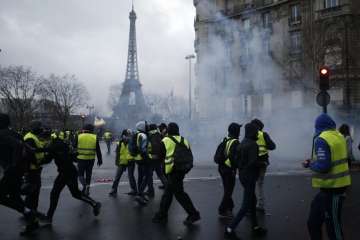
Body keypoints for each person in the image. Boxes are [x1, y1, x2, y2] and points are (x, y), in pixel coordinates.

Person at [303, 114, 351, 240]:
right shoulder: (339, 136)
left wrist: (310, 164)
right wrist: (316, 161)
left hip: (334, 190)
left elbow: (323, 167)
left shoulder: (321, 139)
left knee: (333, 228)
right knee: (313, 221)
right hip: (330, 188)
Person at [42, 131, 101, 224]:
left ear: (48, 139)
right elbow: (74, 158)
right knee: (75, 193)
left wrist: (38, 160)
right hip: (71, 171)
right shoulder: (63, 144)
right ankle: (94, 203)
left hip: (65, 172)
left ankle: (49, 217)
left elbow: (47, 159)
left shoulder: (53, 146)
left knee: (54, 193)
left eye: (43, 141)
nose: (43, 143)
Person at [225, 123, 267, 239]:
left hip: (243, 176)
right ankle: (230, 229)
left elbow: (236, 161)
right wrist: (262, 163)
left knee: (252, 202)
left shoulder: (242, 143)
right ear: (252, 132)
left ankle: (255, 227)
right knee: (246, 205)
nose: (257, 133)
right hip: (250, 177)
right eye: (256, 131)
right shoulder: (253, 145)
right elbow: (253, 162)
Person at [152, 122, 200, 225]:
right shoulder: (184, 140)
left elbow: (160, 157)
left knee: (179, 194)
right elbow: (189, 155)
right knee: (169, 193)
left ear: (168, 130)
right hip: (182, 169)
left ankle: (193, 214)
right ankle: (162, 214)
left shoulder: (165, 140)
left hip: (172, 170)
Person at [0, 113, 39, 235]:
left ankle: (29, 213)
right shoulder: (16, 134)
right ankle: (32, 221)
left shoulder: (1, 134)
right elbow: (28, 150)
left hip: (11, 171)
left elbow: (18, 145)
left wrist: (12, 165)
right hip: (18, 171)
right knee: (14, 197)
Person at [23, 120, 49, 214]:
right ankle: (32, 210)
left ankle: (28, 207)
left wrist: (45, 146)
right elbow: (29, 154)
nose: (41, 130)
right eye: (40, 128)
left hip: (34, 167)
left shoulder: (32, 137)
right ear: (36, 128)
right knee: (34, 189)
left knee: (33, 188)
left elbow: (36, 148)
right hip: (32, 168)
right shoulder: (30, 138)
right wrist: (37, 163)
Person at [251, 118, 276, 213]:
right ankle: (260, 204)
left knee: (251, 184)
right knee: (259, 184)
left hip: (252, 163)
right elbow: (273, 146)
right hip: (262, 163)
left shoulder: (249, 135)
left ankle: (251, 204)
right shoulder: (264, 135)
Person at [217, 123, 241, 218]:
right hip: (229, 170)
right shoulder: (235, 142)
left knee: (227, 189)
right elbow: (233, 158)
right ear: (236, 132)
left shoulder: (225, 139)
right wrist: (235, 167)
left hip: (222, 168)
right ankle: (222, 209)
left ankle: (230, 208)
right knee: (228, 191)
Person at [75, 124, 103, 196]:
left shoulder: (78, 136)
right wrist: (100, 160)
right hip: (91, 159)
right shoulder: (94, 137)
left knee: (80, 174)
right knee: (88, 174)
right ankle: (87, 188)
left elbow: (73, 147)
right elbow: (98, 150)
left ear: (84, 129)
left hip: (80, 159)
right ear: (91, 130)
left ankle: (84, 185)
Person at [109, 129, 135, 197]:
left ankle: (134, 189)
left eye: (129, 135)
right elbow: (117, 154)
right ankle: (114, 189)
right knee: (117, 176)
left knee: (131, 176)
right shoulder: (119, 143)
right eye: (127, 135)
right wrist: (117, 162)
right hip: (122, 162)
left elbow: (135, 152)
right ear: (123, 136)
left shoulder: (132, 142)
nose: (128, 137)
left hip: (130, 161)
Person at [145, 124, 167, 198]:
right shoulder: (158, 135)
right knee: (160, 174)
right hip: (158, 158)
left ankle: (151, 191)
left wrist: (152, 155)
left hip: (153, 158)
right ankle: (168, 189)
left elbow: (154, 146)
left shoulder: (153, 135)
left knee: (149, 175)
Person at [132, 121, 150, 205]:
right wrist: (147, 157)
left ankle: (141, 194)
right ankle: (140, 195)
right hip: (143, 158)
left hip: (138, 158)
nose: (147, 127)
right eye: (146, 126)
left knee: (140, 176)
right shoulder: (143, 135)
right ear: (143, 127)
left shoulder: (137, 134)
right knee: (147, 176)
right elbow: (143, 148)